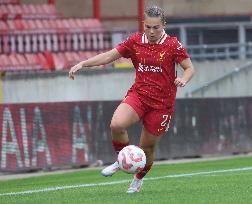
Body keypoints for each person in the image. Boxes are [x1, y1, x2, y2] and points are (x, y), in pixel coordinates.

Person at [69, 5, 195, 193]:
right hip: (139, 95)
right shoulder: (135, 41)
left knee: (147, 150)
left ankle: (137, 179)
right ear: (143, 24)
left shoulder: (172, 45)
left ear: (164, 25)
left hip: (162, 104)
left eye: (156, 27)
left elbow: (190, 68)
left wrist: (183, 80)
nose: (151, 31)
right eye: (148, 27)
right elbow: (110, 56)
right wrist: (83, 63)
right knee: (116, 125)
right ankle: (122, 159)